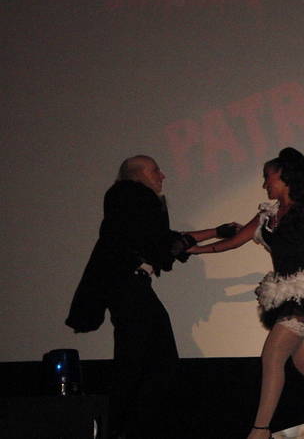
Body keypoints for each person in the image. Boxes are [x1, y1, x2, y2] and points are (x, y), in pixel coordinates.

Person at [186, 147, 304, 439]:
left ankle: (260, 430)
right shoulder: (266, 215)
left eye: (268, 177)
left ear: (284, 176)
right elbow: (233, 242)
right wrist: (195, 250)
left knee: (272, 357)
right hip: (285, 293)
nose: (264, 184)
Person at [65, 155, 237, 439]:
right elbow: (163, 243)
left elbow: (162, 241)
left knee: (143, 360)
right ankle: (124, 428)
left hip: (130, 287)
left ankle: (125, 427)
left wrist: (215, 233)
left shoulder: (129, 203)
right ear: (137, 175)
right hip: (129, 287)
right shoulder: (132, 197)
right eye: (155, 170)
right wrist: (213, 235)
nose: (162, 175)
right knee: (149, 361)